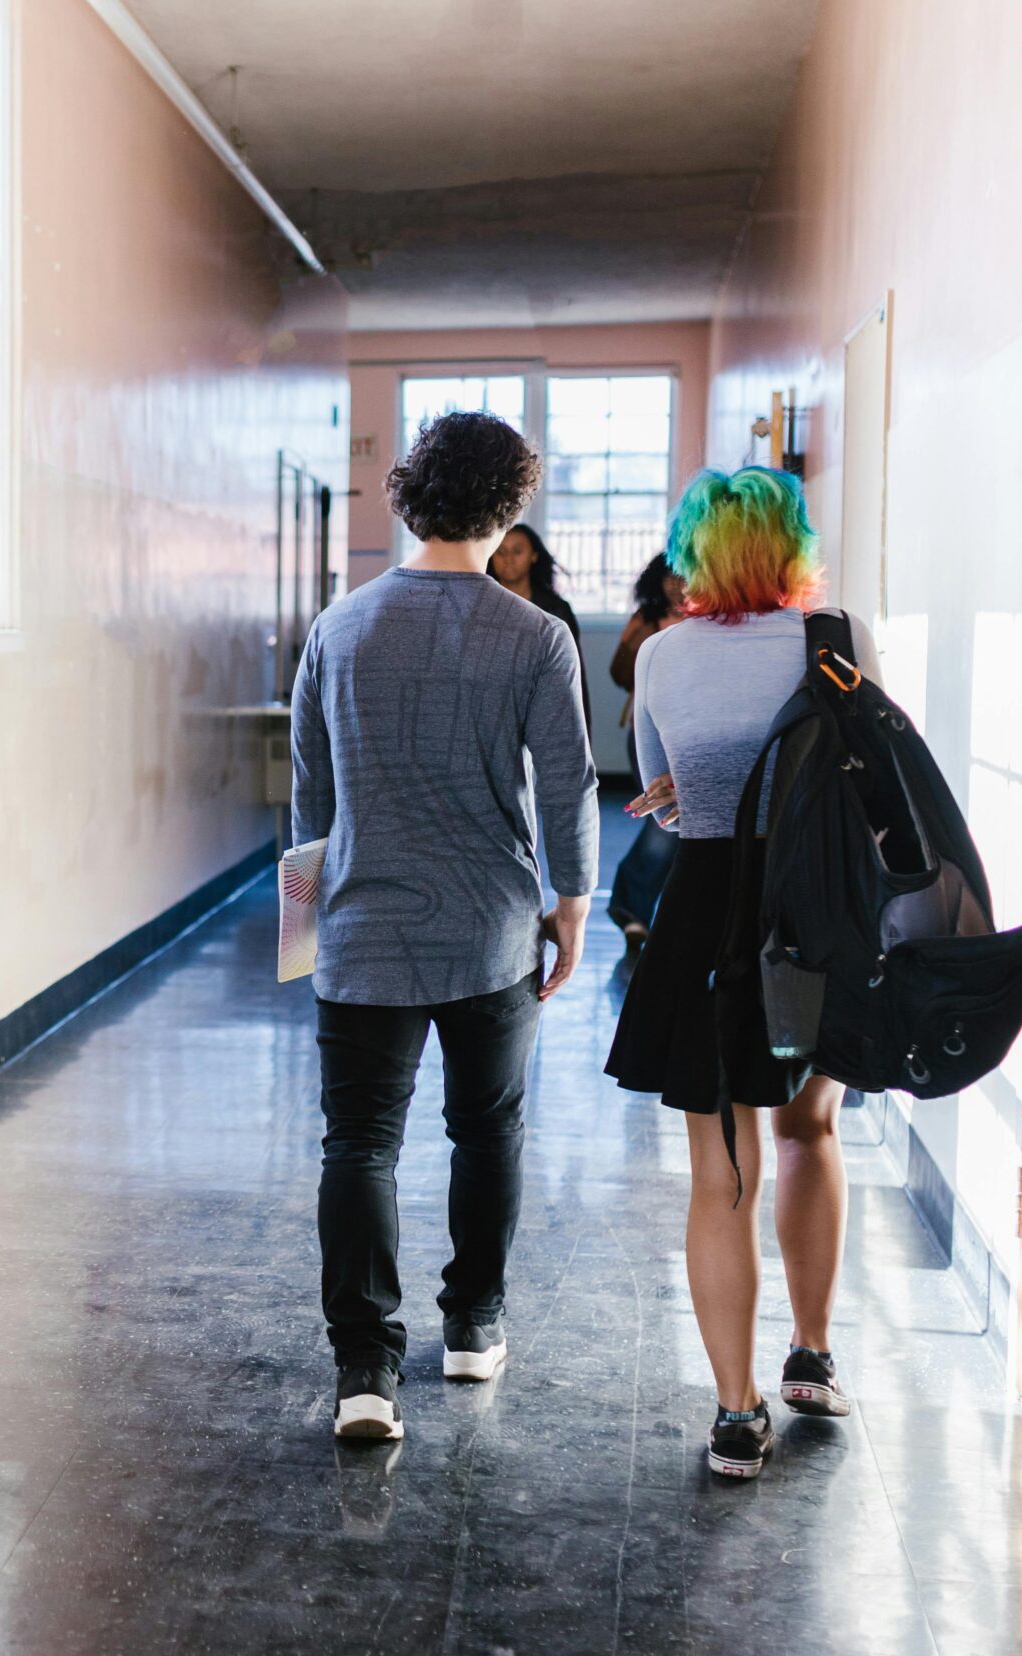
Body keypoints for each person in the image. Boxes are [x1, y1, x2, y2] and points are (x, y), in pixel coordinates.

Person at [290, 410, 598, 1443]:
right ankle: (470, 1326)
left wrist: (311, 922)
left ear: (409, 494)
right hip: (490, 932)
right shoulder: (534, 638)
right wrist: (572, 904)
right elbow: (566, 789)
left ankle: (365, 1372)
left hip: (361, 927)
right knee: (487, 1129)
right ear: (510, 506)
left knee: (359, 1144)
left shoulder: (339, 629)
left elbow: (310, 804)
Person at [603, 467, 880, 1480]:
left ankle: (735, 1412)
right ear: (791, 547)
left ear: (695, 554)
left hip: (707, 919)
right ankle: (809, 1357)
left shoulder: (665, 654)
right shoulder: (833, 641)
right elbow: (871, 779)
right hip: (813, 917)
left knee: (720, 1174)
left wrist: (699, 787)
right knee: (809, 1127)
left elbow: (659, 794)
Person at [606, 554, 688, 950]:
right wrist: (642, 637)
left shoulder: (711, 616)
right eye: (670, 576)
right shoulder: (646, 618)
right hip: (648, 735)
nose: (677, 584)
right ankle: (632, 907)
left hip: (692, 734)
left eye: (685, 576)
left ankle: (633, 908)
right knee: (667, 823)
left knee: (675, 826)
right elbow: (619, 674)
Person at [489, 522, 590, 730]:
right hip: (495, 713)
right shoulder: (482, 606)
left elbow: (572, 678)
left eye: (517, 551)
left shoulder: (556, 610)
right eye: (500, 551)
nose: (508, 559)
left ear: (533, 556)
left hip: (544, 713)